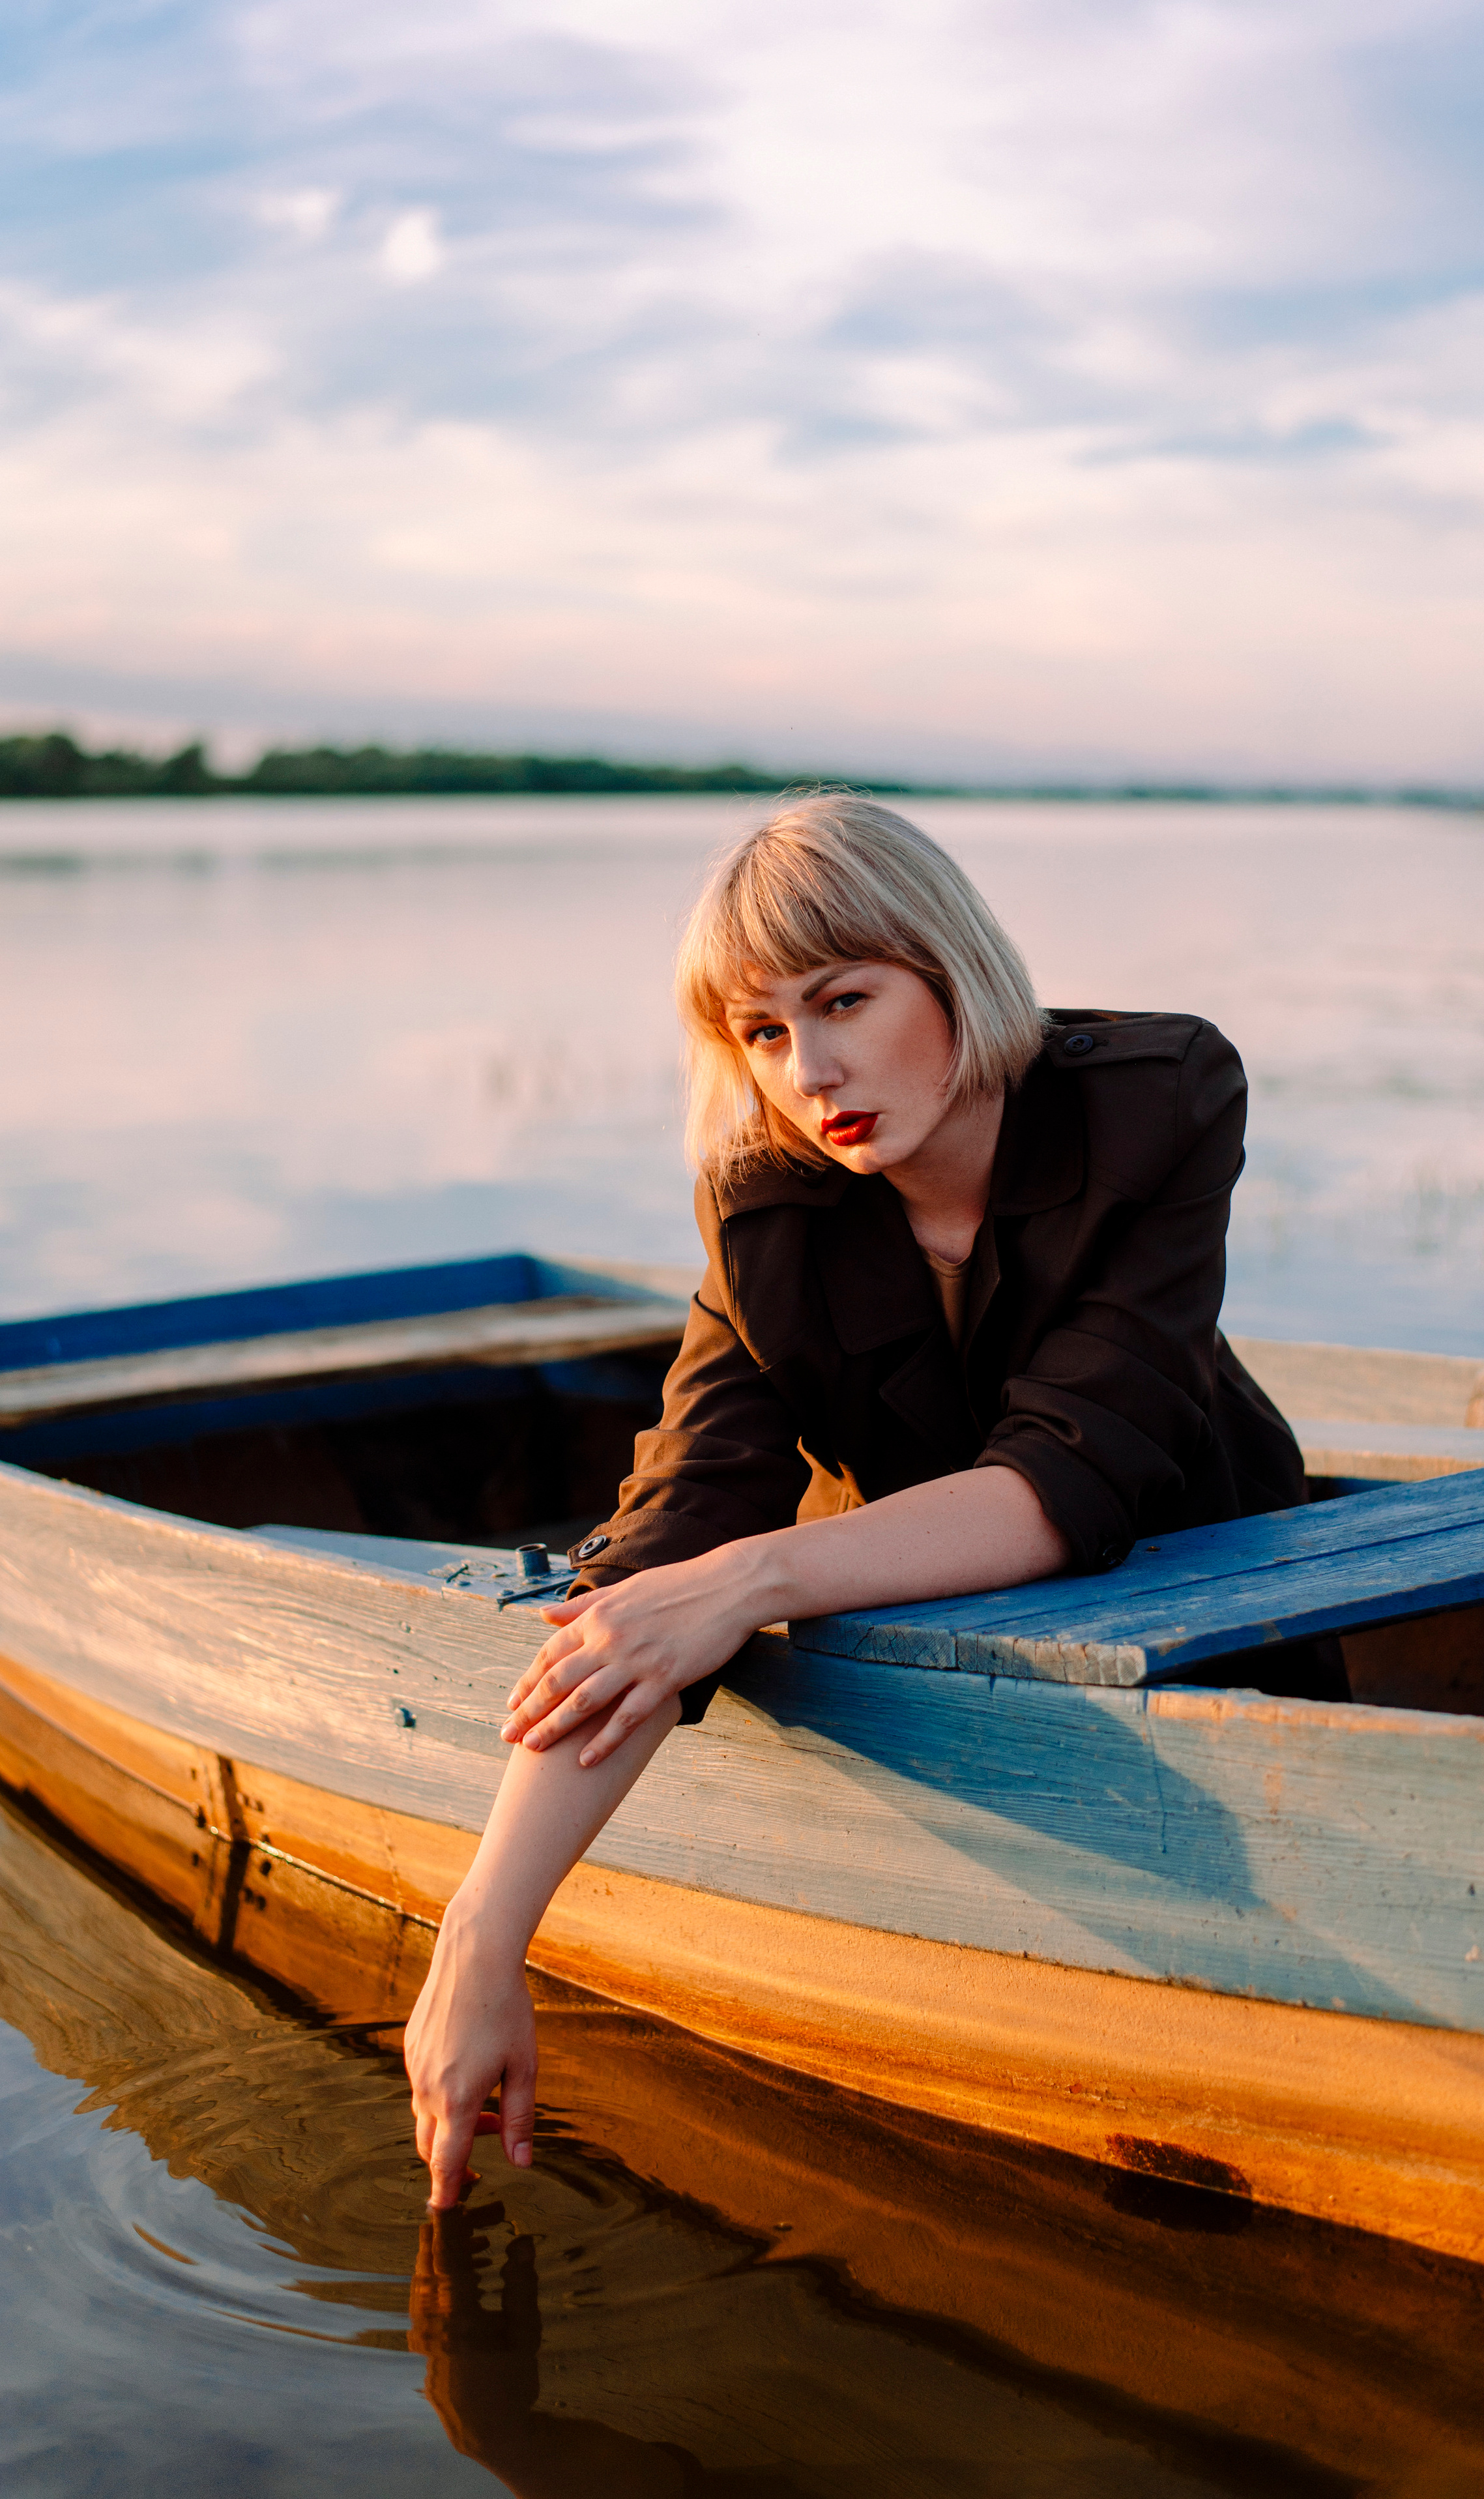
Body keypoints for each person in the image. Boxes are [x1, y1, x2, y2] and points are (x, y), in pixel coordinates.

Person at [405, 793, 1339, 2206]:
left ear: (947, 966)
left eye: (845, 999)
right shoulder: (766, 1206)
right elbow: (664, 1549)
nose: (811, 1068)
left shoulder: (1160, 1099)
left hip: (1219, 1605)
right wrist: (479, 1939)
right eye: (762, 1033)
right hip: (912, 1624)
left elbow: (1063, 1479)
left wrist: (750, 1580)